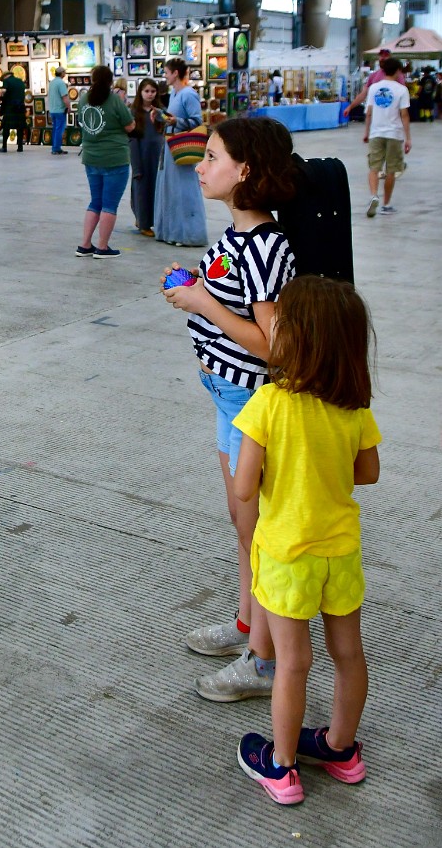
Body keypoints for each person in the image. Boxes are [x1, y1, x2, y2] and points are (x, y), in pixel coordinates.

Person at [162, 117, 297, 702]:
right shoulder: (237, 237)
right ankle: (248, 627)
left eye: (211, 156)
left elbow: (274, 345)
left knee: (259, 530)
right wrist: (196, 289)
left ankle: (265, 662)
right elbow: (230, 297)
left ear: (245, 170)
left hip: (250, 402)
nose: (201, 167)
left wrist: (201, 303)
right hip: (227, 397)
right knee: (245, 527)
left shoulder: (265, 243)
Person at [234, 276, 380, 805]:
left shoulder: (269, 402)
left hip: (286, 552)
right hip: (339, 549)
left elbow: (246, 486)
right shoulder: (354, 406)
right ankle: (341, 748)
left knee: (293, 662)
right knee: (349, 652)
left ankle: (282, 765)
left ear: (296, 338)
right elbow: (368, 472)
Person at [74, 64, 135, 259]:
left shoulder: (83, 99)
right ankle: (102, 247)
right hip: (115, 157)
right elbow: (130, 126)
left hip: (91, 157)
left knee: (96, 202)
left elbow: (82, 123)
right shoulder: (114, 100)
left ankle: (84, 245)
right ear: (111, 81)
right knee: (110, 204)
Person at [154, 57, 207, 247]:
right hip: (170, 146)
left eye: (166, 72)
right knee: (172, 190)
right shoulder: (174, 94)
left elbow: (196, 121)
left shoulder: (188, 94)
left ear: (175, 73)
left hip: (181, 147)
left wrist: (177, 122)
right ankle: (172, 231)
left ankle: (188, 234)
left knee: (183, 191)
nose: (165, 76)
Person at [362, 56, 411, 218]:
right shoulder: (401, 90)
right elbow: (404, 115)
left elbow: (368, 113)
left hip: (376, 132)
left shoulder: (374, 88)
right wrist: (408, 138)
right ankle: (386, 204)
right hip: (394, 134)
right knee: (391, 170)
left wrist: (367, 132)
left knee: (374, 167)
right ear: (397, 71)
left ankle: (374, 195)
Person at [128, 78, 167, 237]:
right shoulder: (134, 112)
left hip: (156, 155)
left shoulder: (159, 111)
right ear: (140, 92)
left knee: (154, 189)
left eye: (153, 91)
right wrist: (136, 164)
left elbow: (166, 125)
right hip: (141, 154)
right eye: (147, 91)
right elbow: (132, 138)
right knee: (141, 188)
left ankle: (146, 220)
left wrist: (159, 115)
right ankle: (143, 223)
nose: (150, 94)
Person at [343, 48, 406, 118]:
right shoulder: (373, 76)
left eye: (385, 56)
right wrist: (350, 107)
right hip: (376, 116)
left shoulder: (398, 75)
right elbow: (363, 94)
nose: (383, 58)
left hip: (392, 116)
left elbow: (402, 96)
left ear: (390, 59)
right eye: (381, 56)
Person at [0, 66, 28, 152]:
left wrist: (0, 96)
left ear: (5, 76)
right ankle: (20, 147)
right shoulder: (20, 81)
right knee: (20, 128)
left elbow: (3, 92)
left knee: (6, 128)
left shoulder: (6, 81)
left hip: (10, 108)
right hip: (20, 107)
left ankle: (4, 146)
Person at [47, 65, 71, 155]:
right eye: (64, 72)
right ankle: (56, 148)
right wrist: (69, 107)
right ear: (61, 73)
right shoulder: (61, 83)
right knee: (59, 130)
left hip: (52, 110)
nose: (65, 73)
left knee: (55, 129)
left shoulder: (52, 82)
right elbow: (64, 97)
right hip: (60, 110)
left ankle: (55, 147)